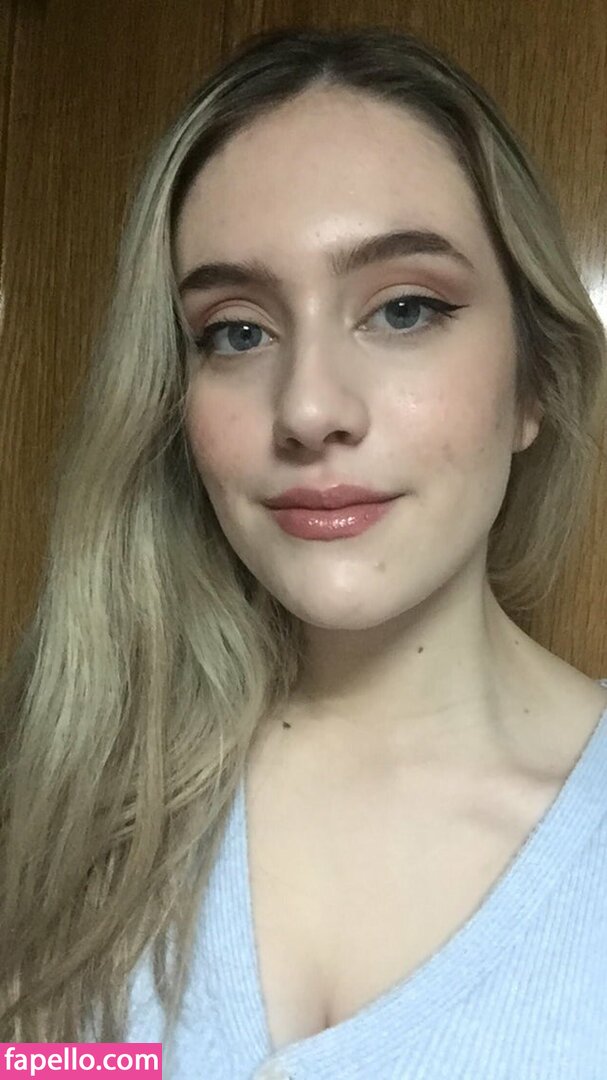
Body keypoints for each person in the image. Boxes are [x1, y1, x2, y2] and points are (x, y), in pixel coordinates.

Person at [1, 24, 606, 1080]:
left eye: (404, 309)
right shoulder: (48, 802)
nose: (310, 409)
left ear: (534, 382)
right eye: (237, 331)